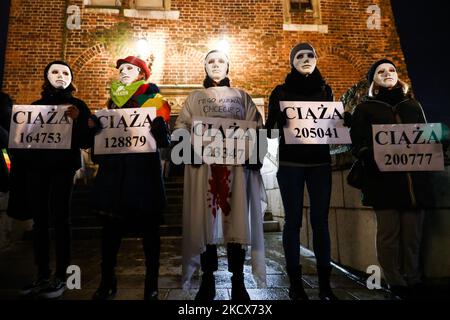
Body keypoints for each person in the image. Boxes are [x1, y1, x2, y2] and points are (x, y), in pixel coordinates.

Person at [175, 50, 267, 301]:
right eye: (211, 61)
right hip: (204, 168)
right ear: (205, 67)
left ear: (228, 66)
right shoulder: (195, 97)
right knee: (206, 221)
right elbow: (182, 125)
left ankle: (238, 281)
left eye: (221, 61)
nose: (216, 65)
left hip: (236, 168)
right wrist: (186, 150)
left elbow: (256, 126)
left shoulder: (241, 97)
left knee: (236, 221)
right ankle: (208, 279)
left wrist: (255, 155)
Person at [8, 61, 96, 299]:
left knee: (61, 220)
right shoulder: (35, 107)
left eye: (65, 72)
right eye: (55, 72)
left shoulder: (78, 105)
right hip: (37, 170)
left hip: (62, 169)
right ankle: (42, 273)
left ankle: (63, 275)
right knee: (40, 221)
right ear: (46, 77)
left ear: (71, 78)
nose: (60, 76)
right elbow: (23, 139)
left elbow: (86, 141)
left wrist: (79, 120)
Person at [90, 56, 170, 300]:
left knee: (150, 233)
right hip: (114, 174)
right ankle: (107, 280)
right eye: (121, 69)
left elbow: (165, 142)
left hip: (143, 174)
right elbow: (99, 149)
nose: (124, 72)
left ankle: (151, 283)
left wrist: (159, 130)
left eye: (130, 68)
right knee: (110, 232)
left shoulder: (155, 100)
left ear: (142, 74)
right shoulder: (111, 103)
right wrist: (95, 132)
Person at [350, 59, 429, 299]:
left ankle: (413, 277)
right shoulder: (364, 108)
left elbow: (425, 136)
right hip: (383, 181)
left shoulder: (413, 105)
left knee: (413, 235)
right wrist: (367, 153)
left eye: (392, 70)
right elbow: (357, 143)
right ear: (373, 79)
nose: (387, 74)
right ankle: (395, 280)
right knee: (389, 234)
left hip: (414, 181)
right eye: (381, 71)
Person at [265, 43, 337, 300]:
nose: (306, 59)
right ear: (292, 62)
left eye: (310, 55)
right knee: (293, 223)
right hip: (291, 165)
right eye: (300, 56)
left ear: (316, 60)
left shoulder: (326, 90)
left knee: (321, 223)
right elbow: (270, 132)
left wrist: (344, 122)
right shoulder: (281, 91)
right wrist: (275, 118)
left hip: (320, 164)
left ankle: (325, 285)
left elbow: (331, 127)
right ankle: (296, 283)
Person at [0, 92, 12, 193]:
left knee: (7, 164)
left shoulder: (5, 110)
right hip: (6, 144)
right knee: (7, 164)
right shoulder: (8, 110)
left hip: (4, 144)